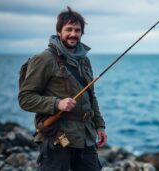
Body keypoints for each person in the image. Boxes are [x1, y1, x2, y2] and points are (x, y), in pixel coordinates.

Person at [18, 6, 107, 171]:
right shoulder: (44, 59)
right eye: (69, 29)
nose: (73, 34)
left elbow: (91, 97)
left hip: (86, 137)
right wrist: (56, 103)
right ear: (59, 32)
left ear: (82, 33)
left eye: (77, 30)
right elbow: (25, 98)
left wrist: (100, 126)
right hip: (57, 138)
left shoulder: (84, 61)